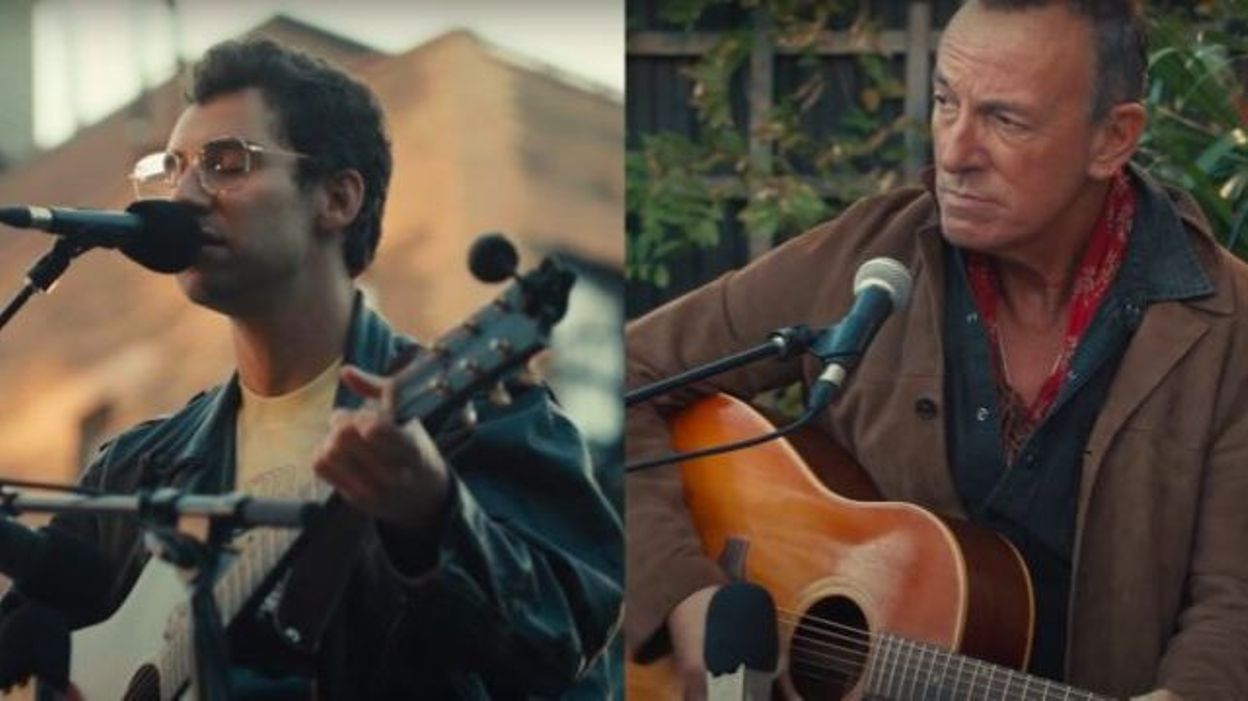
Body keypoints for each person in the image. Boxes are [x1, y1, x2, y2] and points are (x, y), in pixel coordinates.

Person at [626, 1, 1248, 699]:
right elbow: (633, 373)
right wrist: (681, 591)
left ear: (1113, 137)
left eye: (1005, 120)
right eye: (946, 102)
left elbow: (1234, 605)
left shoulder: (1227, 327)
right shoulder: (872, 252)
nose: (953, 151)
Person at [0, 38, 622, 698]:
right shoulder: (133, 468)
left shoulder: (487, 414)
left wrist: (432, 514)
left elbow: (565, 643)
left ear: (337, 198)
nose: (183, 195)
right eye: (173, 167)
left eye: (225, 162)